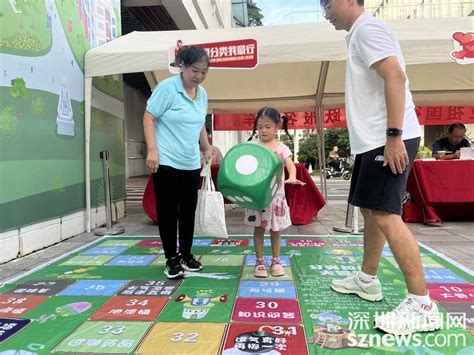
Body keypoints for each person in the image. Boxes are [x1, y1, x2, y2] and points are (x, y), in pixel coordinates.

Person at [321, 0, 442, 335]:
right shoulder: (358, 33)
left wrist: (393, 136)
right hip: (372, 140)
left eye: (328, 4)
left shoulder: (368, 29)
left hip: (387, 138)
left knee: (387, 214)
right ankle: (367, 278)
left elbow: (395, 76)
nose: (325, 12)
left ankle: (422, 305)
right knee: (370, 210)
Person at [144, 46, 212, 279]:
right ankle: (171, 258)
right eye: (195, 70)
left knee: (188, 212)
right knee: (168, 211)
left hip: (190, 162)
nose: (199, 76)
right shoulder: (167, 88)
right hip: (166, 161)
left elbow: (200, 122)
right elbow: (149, 117)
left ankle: (186, 254)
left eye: (204, 72)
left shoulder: (201, 93)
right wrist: (152, 151)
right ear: (182, 65)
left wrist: (206, 146)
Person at [245, 107, 305, 278]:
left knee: (276, 230)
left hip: (276, 197)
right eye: (260, 127)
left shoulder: (282, 148)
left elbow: (290, 164)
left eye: (268, 126)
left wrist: (292, 176)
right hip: (257, 197)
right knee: (258, 229)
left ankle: (276, 260)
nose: (263, 130)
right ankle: (259, 262)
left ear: (277, 126)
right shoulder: (252, 146)